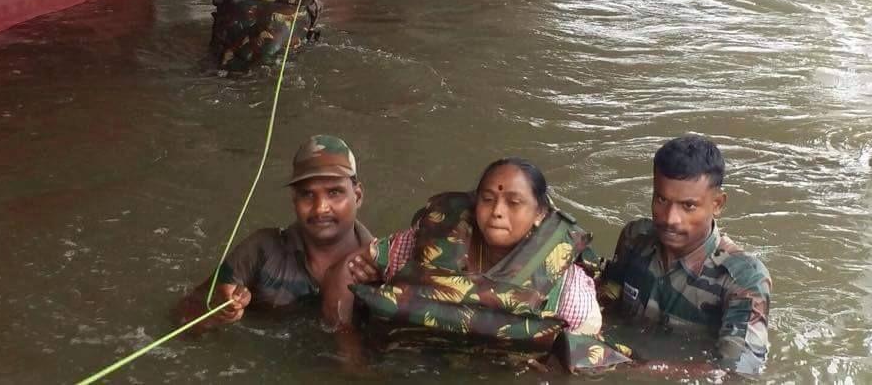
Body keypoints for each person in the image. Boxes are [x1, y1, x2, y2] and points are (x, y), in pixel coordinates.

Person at [328, 157, 632, 373]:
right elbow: (345, 268)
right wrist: (347, 343)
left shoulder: (569, 288)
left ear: (540, 213)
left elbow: (585, 359)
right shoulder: (420, 244)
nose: (498, 211)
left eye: (514, 203)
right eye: (488, 199)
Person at [598, 135, 772, 377]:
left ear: (718, 204)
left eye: (688, 206)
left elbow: (737, 372)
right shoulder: (634, 238)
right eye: (661, 199)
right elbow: (605, 304)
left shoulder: (742, 279)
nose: (670, 218)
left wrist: (643, 370)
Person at [177, 135, 372, 330]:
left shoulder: (384, 264)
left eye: (334, 192)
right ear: (294, 200)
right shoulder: (262, 251)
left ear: (357, 196)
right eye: (307, 194)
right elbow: (183, 316)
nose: (320, 208)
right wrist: (215, 312)